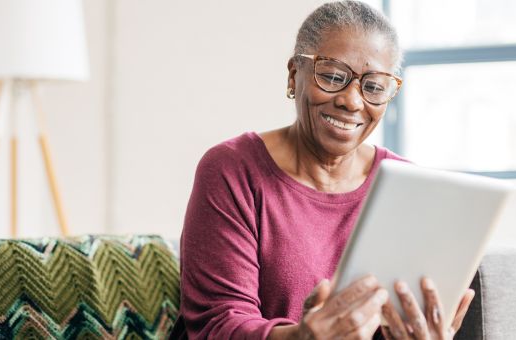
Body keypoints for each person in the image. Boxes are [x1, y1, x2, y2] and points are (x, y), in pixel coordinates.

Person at [170, 1, 475, 339]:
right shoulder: (232, 169)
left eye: (374, 86)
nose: (352, 101)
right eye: (332, 76)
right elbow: (218, 324)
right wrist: (302, 337)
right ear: (293, 75)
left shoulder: (407, 186)